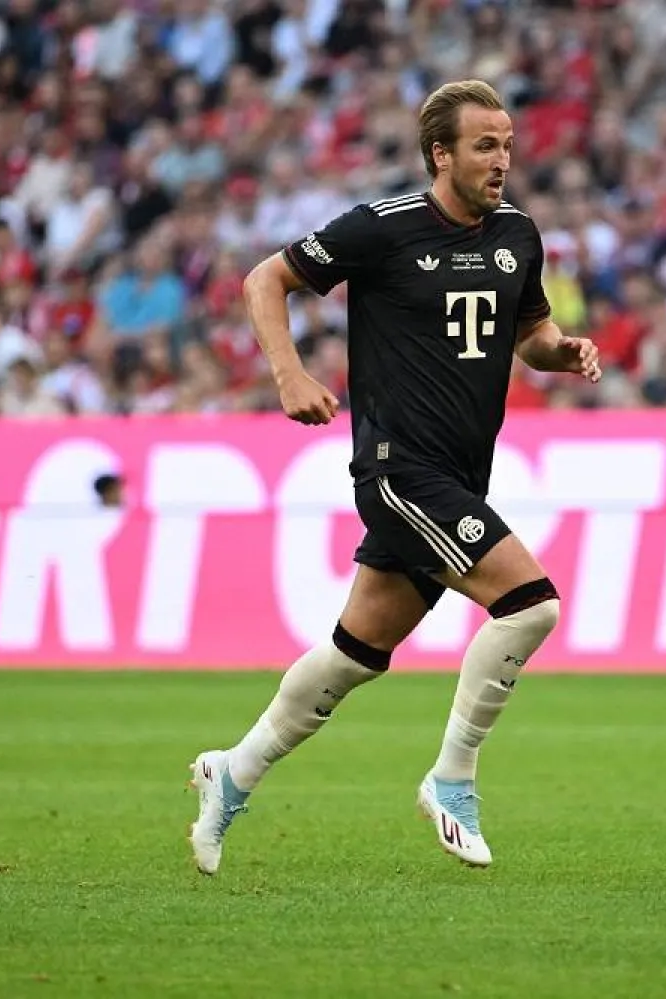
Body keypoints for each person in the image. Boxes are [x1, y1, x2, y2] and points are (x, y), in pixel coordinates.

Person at [188, 80, 601, 875]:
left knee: (353, 655)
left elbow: (531, 334)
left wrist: (565, 351)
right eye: (485, 145)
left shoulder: (518, 233)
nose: (502, 160)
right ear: (440, 153)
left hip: (458, 475)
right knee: (530, 605)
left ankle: (229, 775)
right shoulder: (382, 229)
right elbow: (263, 280)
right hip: (398, 470)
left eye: (508, 143)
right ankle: (452, 778)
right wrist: (288, 376)